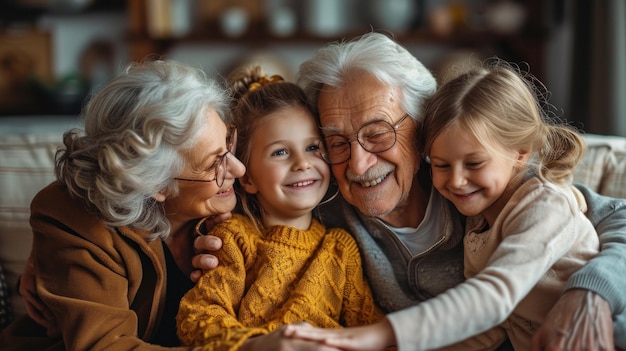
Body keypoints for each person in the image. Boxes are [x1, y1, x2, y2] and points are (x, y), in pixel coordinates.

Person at [284, 32, 626, 350]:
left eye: (377, 133)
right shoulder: (320, 207)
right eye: (337, 142)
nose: (358, 165)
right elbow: (488, 328)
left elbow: (617, 220)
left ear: (421, 130)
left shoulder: (509, 190)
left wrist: (591, 292)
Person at [0, 59, 247, 349]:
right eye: (213, 164)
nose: (239, 169)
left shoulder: (245, 188)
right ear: (155, 184)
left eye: (228, 143)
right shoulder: (74, 222)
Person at [176, 65, 385, 351]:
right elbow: (198, 317)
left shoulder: (340, 249)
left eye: (313, 147)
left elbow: (370, 331)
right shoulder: (235, 238)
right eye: (281, 152)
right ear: (247, 177)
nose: (302, 163)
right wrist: (258, 344)